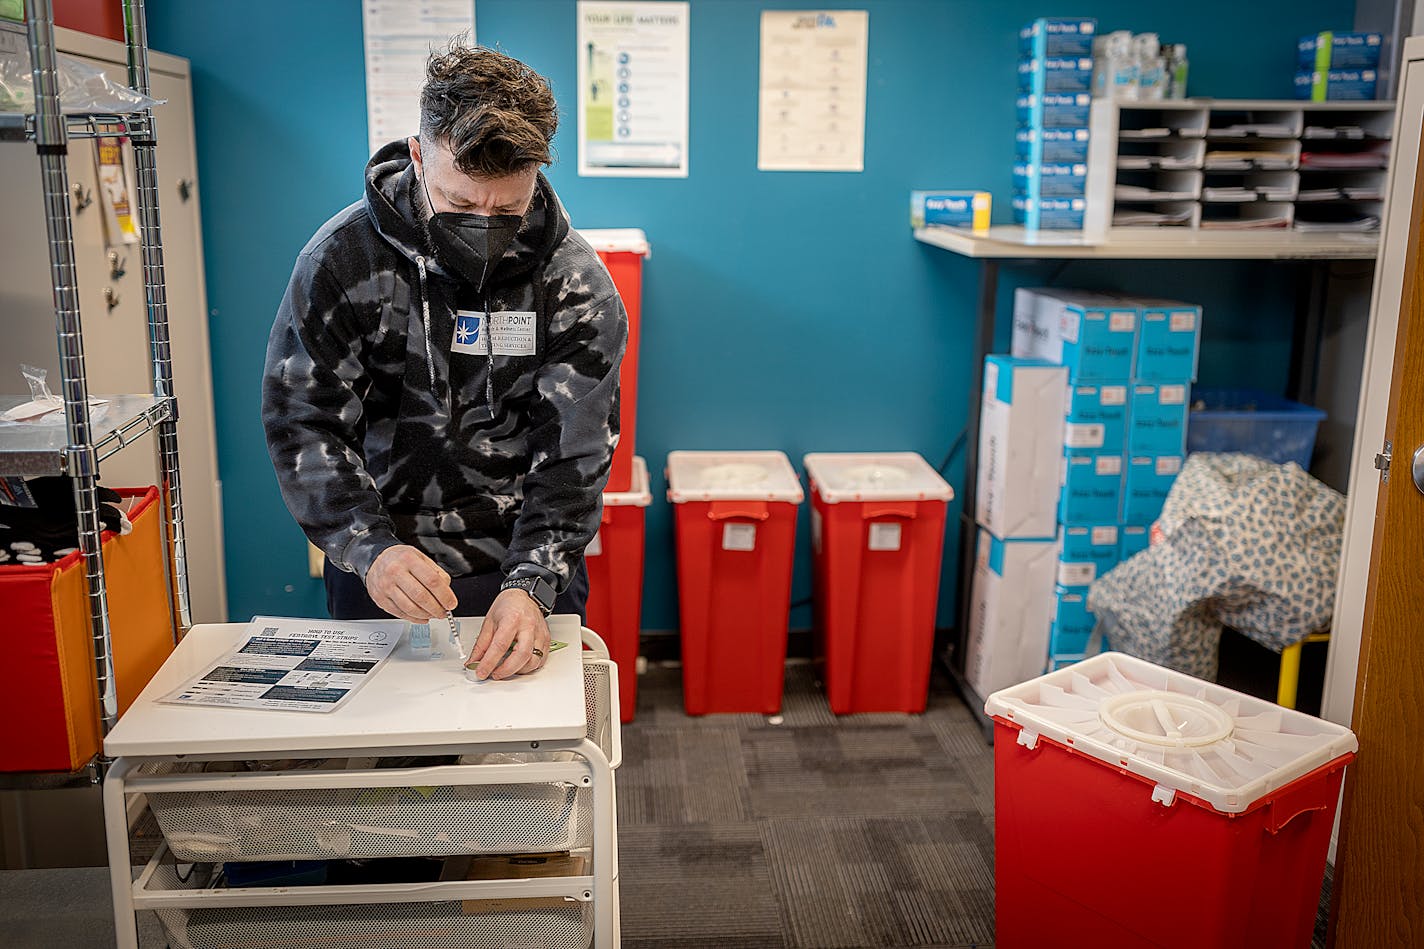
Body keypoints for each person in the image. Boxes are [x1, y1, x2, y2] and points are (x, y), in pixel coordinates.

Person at [262, 44, 626, 681]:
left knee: (529, 769)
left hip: (525, 564)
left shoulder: (574, 284)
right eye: (460, 203)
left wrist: (534, 582)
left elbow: (577, 451)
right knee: (392, 768)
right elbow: (305, 422)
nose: (483, 225)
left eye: (507, 211)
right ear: (417, 153)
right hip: (384, 569)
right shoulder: (341, 263)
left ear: (536, 174)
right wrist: (369, 549)